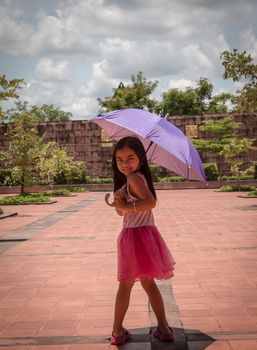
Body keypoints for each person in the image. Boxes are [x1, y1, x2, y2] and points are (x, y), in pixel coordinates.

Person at [106, 136, 176, 346]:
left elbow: (151, 203)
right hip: (145, 235)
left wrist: (126, 206)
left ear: (140, 159)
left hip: (134, 236)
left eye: (130, 158)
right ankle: (163, 328)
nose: (124, 164)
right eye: (119, 159)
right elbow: (121, 213)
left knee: (125, 285)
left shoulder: (135, 179)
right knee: (148, 283)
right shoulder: (132, 180)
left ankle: (118, 332)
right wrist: (119, 200)